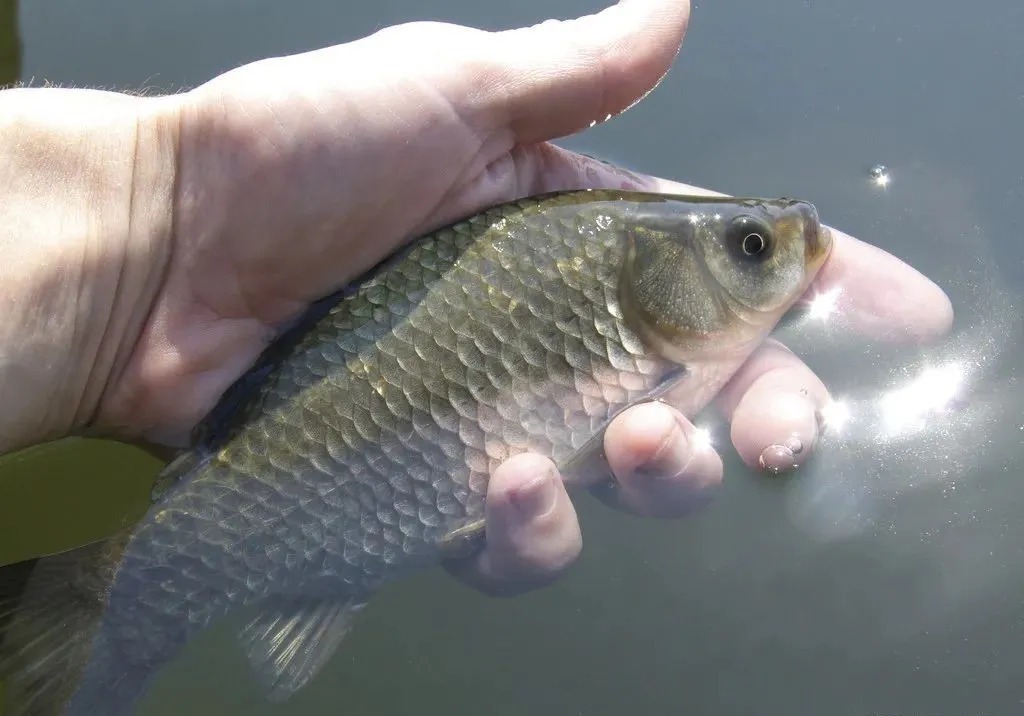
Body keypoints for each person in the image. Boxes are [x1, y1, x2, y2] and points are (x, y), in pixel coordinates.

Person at [0, 0, 951, 596]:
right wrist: (154, 211)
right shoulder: (621, 290)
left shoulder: (624, 286)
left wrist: (143, 224)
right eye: (751, 248)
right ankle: (91, 595)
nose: (777, 250)